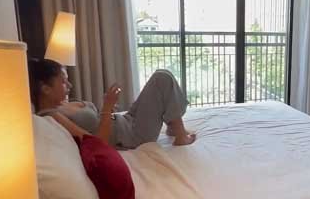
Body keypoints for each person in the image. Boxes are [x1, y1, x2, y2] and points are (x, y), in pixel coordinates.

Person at [28, 58, 196, 148]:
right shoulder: (52, 117)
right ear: (46, 89)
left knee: (161, 74)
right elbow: (97, 144)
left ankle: (173, 125)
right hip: (132, 136)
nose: (70, 85)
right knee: (162, 78)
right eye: (63, 82)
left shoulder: (60, 104)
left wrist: (108, 109)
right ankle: (180, 136)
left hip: (126, 120)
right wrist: (107, 107)